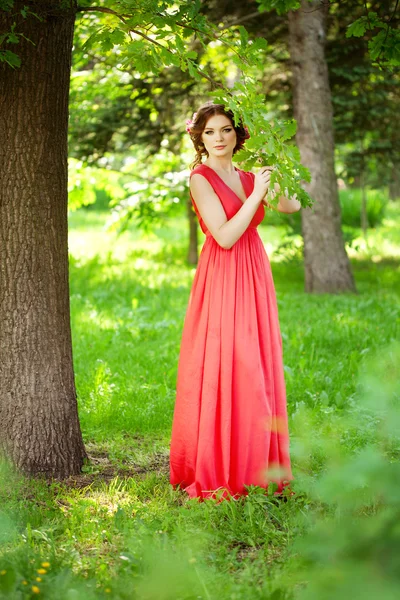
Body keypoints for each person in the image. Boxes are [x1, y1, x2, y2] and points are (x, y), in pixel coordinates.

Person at [169, 101, 300, 501]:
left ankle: (258, 463)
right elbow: (223, 235)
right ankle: (222, 465)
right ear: (199, 138)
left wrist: (274, 177)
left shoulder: (248, 175)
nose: (219, 138)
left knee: (256, 363)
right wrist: (254, 194)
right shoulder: (199, 178)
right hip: (223, 272)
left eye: (225, 130)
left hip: (254, 270)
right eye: (210, 132)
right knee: (230, 362)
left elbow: (290, 206)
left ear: (237, 134)